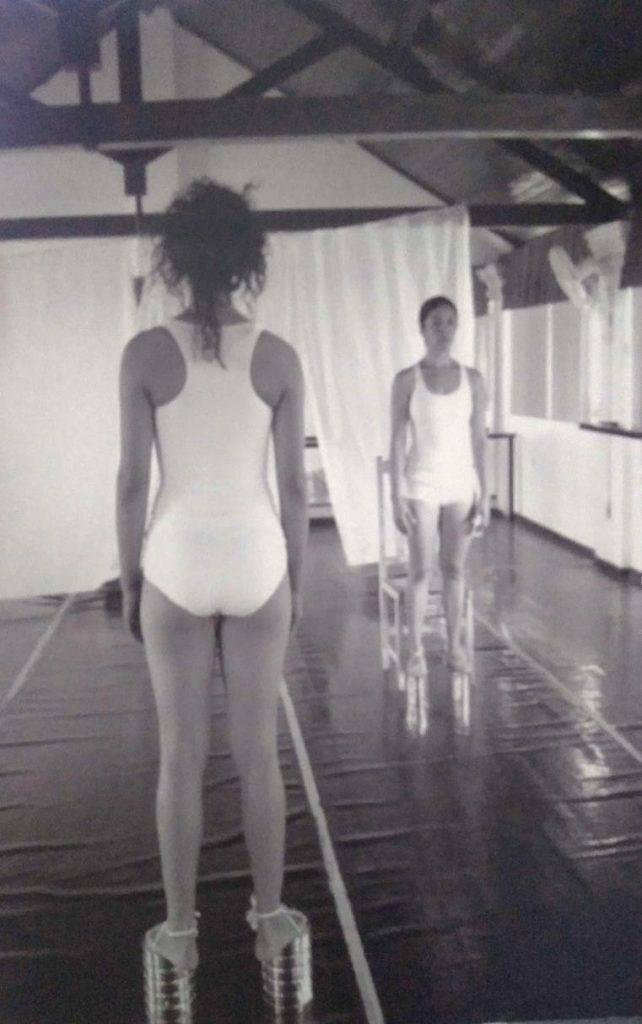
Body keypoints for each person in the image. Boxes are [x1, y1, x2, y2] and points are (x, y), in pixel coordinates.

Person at [115, 179, 309, 979]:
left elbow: (133, 482)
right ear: (245, 259)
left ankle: (180, 936)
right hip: (257, 557)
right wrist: (294, 582)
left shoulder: (144, 353)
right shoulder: (279, 356)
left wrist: (131, 583)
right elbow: (293, 486)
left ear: (176, 259)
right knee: (258, 755)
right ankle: (271, 922)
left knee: (180, 757)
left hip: (176, 559)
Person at [389, 295, 488, 675]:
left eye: (450, 322)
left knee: (455, 570)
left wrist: (484, 494)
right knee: (420, 571)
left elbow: (479, 439)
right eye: (436, 323)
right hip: (421, 484)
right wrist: (396, 494)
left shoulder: (473, 380)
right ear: (423, 329)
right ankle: (414, 649)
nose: (444, 330)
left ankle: (454, 646)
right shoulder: (407, 380)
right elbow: (397, 439)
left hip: (460, 484)